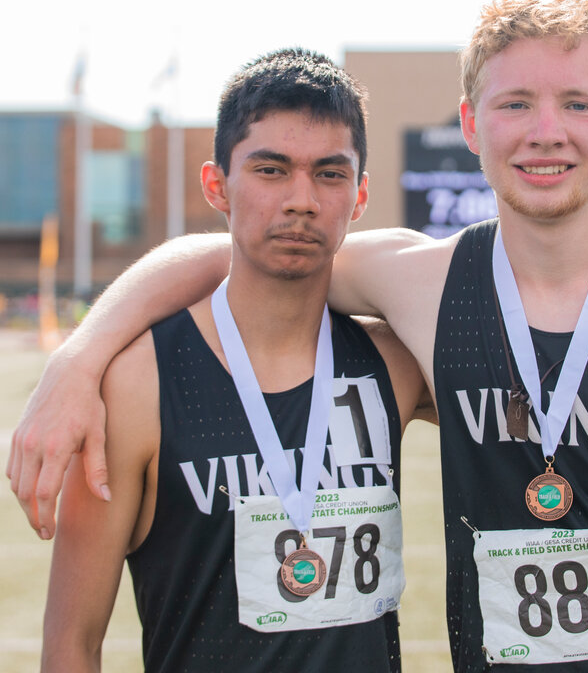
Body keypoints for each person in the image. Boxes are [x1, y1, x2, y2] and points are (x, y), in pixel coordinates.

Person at [8, 0, 588, 672]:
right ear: (470, 122)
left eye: (578, 103)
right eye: (516, 103)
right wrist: (76, 362)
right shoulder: (422, 286)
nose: (545, 130)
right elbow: (231, 255)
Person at [40, 48, 427, 673]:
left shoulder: (395, 364)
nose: (301, 199)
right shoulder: (137, 385)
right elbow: (70, 649)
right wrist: (77, 361)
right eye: (271, 170)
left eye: (330, 174)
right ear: (217, 185)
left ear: (359, 197)